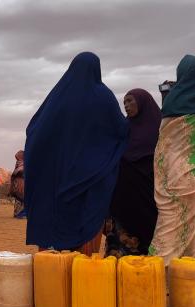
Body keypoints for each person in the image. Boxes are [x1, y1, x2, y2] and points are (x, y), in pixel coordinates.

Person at [24, 52, 128, 254]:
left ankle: (49, 272)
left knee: (51, 248)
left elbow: (34, 132)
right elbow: (120, 131)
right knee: (83, 236)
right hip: (87, 181)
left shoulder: (56, 99)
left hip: (55, 184)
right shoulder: (103, 97)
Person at [149, 55, 195, 264]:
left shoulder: (171, 103)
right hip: (190, 177)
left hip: (170, 177)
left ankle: (161, 279)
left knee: (170, 226)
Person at [106, 89, 161, 258]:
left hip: (149, 199)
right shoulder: (123, 130)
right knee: (119, 252)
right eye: (124, 103)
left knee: (147, 251)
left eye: (130, 101)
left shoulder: (160, 129)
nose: (127, 106)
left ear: (143, 102)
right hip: (122, 201)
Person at [10, 150, 26, 218]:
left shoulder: (21, 164)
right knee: (19, 198)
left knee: (21, 198)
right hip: (19, 183)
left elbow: (14, 174)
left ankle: (19, 213)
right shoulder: (20, 164)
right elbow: (16, 173)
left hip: (20, 183)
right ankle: (18, 213)